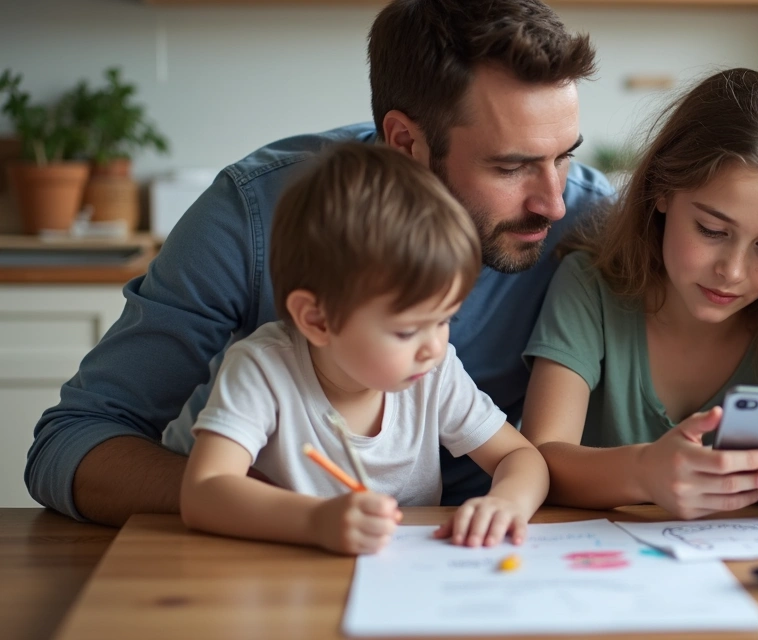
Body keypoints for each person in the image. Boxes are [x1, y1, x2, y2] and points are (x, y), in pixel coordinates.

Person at [27, 0, 610, 526]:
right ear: (406, 143)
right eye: (510, 168)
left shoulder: (592, 222)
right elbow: (73, 442)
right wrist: (277, 507)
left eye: (564, 157)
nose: (553, 202)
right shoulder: (254, 214)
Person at [520, 68, 758, 520]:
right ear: (661, 189)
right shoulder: (591, 285)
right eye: (712, 230)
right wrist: (645, 472)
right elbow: (539, 458)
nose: (732, 272)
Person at [179, 145, 547, 554]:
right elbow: (203, 492)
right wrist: (315, 521)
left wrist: (506, 501)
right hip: (287, 584)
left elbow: (521, 458)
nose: (433, 347)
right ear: (317, 319)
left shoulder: (434, 371)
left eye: (445, 320)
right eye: (407, 331)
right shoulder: (263, 369)